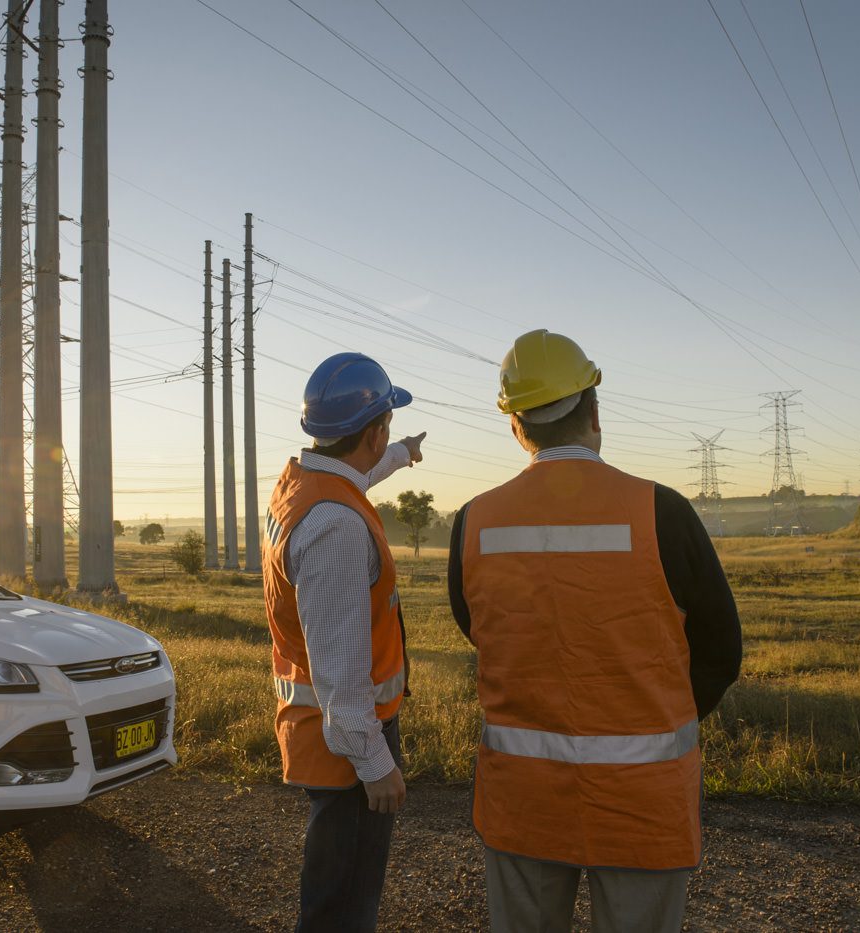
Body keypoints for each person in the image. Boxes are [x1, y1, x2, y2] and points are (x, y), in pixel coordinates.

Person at [447, 330, 742, 933]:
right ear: (595, 413)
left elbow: (478, 628)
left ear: (516, 428)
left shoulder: (474, 521)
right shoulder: (662, 511)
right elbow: (721, 652)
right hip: (643, 802)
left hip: (524, 799)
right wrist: (655, 710)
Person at [262, 352, 427, 933]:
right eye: (384, 433)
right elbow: (338, 665)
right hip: (346, 746)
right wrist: (375, 762)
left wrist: (402, 454)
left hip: (321, 728)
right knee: (342, 908)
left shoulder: (303, 483)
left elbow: (356, 474)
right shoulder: (336, 526)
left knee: (338, 891)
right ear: (372, 430)